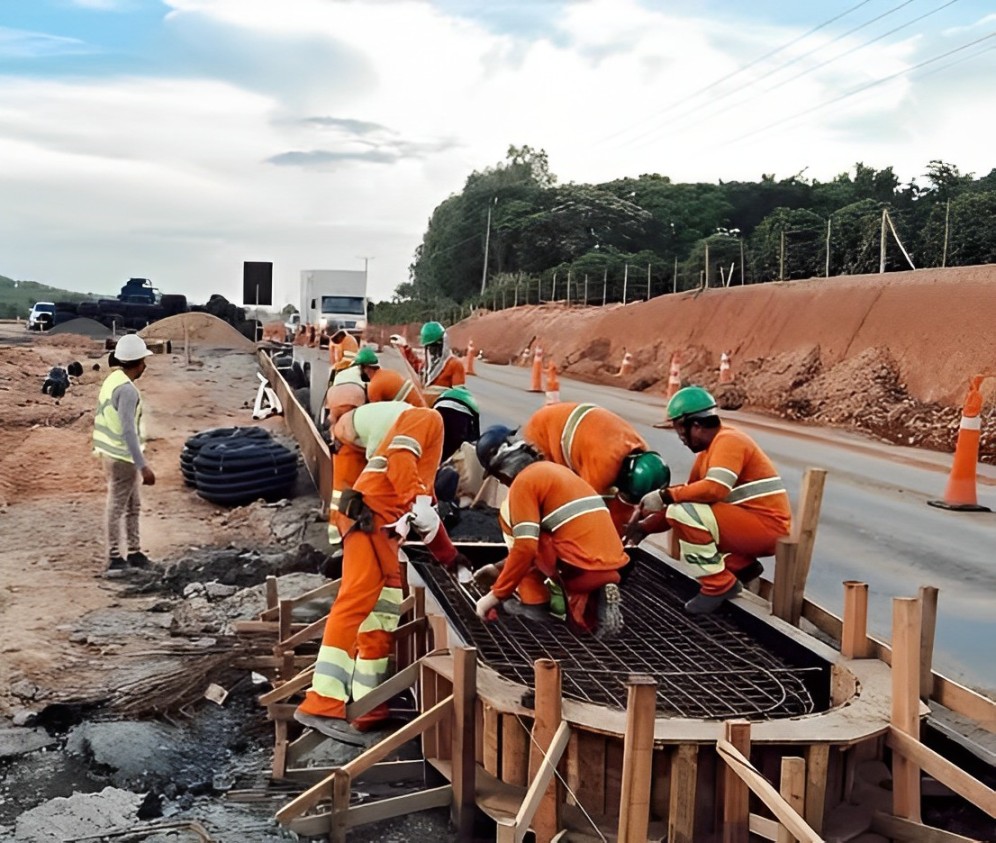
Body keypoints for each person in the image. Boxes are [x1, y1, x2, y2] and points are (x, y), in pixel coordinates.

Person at [295, 406, 468, 743]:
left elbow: (426, 518)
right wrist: (414, 500)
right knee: (355, 602)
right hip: (368, 518)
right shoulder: (426, 418)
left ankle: (368, 708)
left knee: (384, 612)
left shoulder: (426, 468)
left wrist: (454, 559)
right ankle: (321, 703)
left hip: (383, 530)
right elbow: (400, 460)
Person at [630, 386, 792, 614]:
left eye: (680, 430)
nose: (681, 439)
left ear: (695, 425)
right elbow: (688, 497)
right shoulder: (708, 452)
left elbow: (713, 490)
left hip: (767, 529)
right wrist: (644, 527)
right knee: (683, 510)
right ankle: (740, 566)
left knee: (684, 513)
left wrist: (664, 495)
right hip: (750, 525)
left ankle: (719, 585)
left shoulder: (729, 441)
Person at [472, 425, 629, 639]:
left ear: (503, 466)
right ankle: (598, 596)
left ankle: (535, 607)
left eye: (498, 477)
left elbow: (526, 548)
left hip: (581, 566)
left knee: (526, 540)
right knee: (583, 622)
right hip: (609, 561)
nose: (501, 482)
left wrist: (495, 595)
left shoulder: (524, 483)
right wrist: (497, 569)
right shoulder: (555, 471)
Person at [521, 402, 669, 535]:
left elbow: (623, 509)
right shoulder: (603, 468)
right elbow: (585, 511)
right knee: (551, 501)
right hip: (544, 430)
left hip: (580, 427)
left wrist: (630, 530)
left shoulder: (643, 453)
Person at [92, 334, 156, 578]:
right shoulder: (128, 391)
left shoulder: (113, 379)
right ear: (138, 363)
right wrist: (143, 466)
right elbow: (128, 429)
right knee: (117, 507)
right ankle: (115, 558)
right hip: (122, 457)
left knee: (132, 505)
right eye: (144, 361)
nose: (145, 366)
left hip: (112, 452)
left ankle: (135, 552)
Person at [392, 321, 465, 392]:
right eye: (429, 347)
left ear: (443, 344)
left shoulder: (455, 365)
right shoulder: (430, 366)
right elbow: (417, 365)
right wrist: (405, 347)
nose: (432, 350)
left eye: (434, 346)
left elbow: (458, 394)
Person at [352, 346, 426, 407]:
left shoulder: (374, 386)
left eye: (359, 368)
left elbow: (376, 414)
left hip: (415, 414)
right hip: (422, 408)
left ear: (365, 368)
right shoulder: (387, 373)